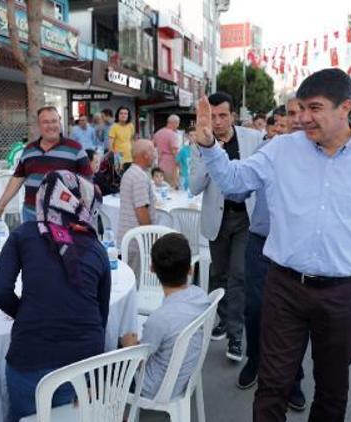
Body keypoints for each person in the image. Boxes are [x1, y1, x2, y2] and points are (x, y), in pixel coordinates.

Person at [192, 68, 351, 421]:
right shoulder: (282, 148)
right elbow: (235, 182)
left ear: (346, 107)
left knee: (331, 389)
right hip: (284, 287)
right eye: (301, 108)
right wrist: (208, 146)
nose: (304, 118)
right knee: (273, 383)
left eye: (315, 108)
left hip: (343, 292)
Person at [0, 170, 110, 422]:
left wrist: (26, 313)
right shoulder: (96, 248)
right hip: (83, 365)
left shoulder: (24, 234)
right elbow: (101, 315)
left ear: (43, 199)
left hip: (29, 359)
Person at [238, 105, 306, 411]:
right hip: (261, 242)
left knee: (294, 317)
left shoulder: (311, 156)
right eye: (276, 123)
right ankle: (254, 360)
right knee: (255, 308)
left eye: (288, 120)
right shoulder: (264, 153)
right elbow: (237, 190)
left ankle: (294, 378)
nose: (282, 128)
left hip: (294, 248)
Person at [188, 92, 262, 362]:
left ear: (233, 116)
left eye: (223, 116)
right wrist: (210, 154)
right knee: (218, 275)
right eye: (213, 116)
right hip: (216, 219)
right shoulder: (199, 143)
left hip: (245, 216)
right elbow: (193, 187)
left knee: (238, 275)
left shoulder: (253, 139)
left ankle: (235, 336)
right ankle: (222, 319)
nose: (217, 122)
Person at [120, 233, 210, 398]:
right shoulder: (201, 297)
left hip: (154, 388)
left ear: (152, 269)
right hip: (185, 375)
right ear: (190, 269)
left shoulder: (159, 319)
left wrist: (128, 345)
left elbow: (140, 360)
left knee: (114, 350)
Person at [0, 106, 93, 223]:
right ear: (39, 126)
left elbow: (88, 181)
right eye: (45, 122)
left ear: (59, 123)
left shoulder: (75, 149)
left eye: (54, 121)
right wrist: (1, 205)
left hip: (63, 217)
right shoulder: (29, 150)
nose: (51, 126)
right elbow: (17, 178)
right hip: (31, 214)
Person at [117, 139, 157, 276]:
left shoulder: (130, 173)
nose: (155, 154)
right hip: (136, 241)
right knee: (135, 280)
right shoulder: (139, 176)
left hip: (128, 238)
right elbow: (141, 210)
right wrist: (151, 237)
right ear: (145, 155)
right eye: (152, 150)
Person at [153, 115, 181, 187]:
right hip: (170, 164)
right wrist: (180, 164)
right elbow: (175, 151)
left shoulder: (158, 132)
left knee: (161, 186)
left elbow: (152, 146)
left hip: (160, 163)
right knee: (171, 186)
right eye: (178, 123)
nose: (178, 126)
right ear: (174, 123)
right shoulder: (173, 135)